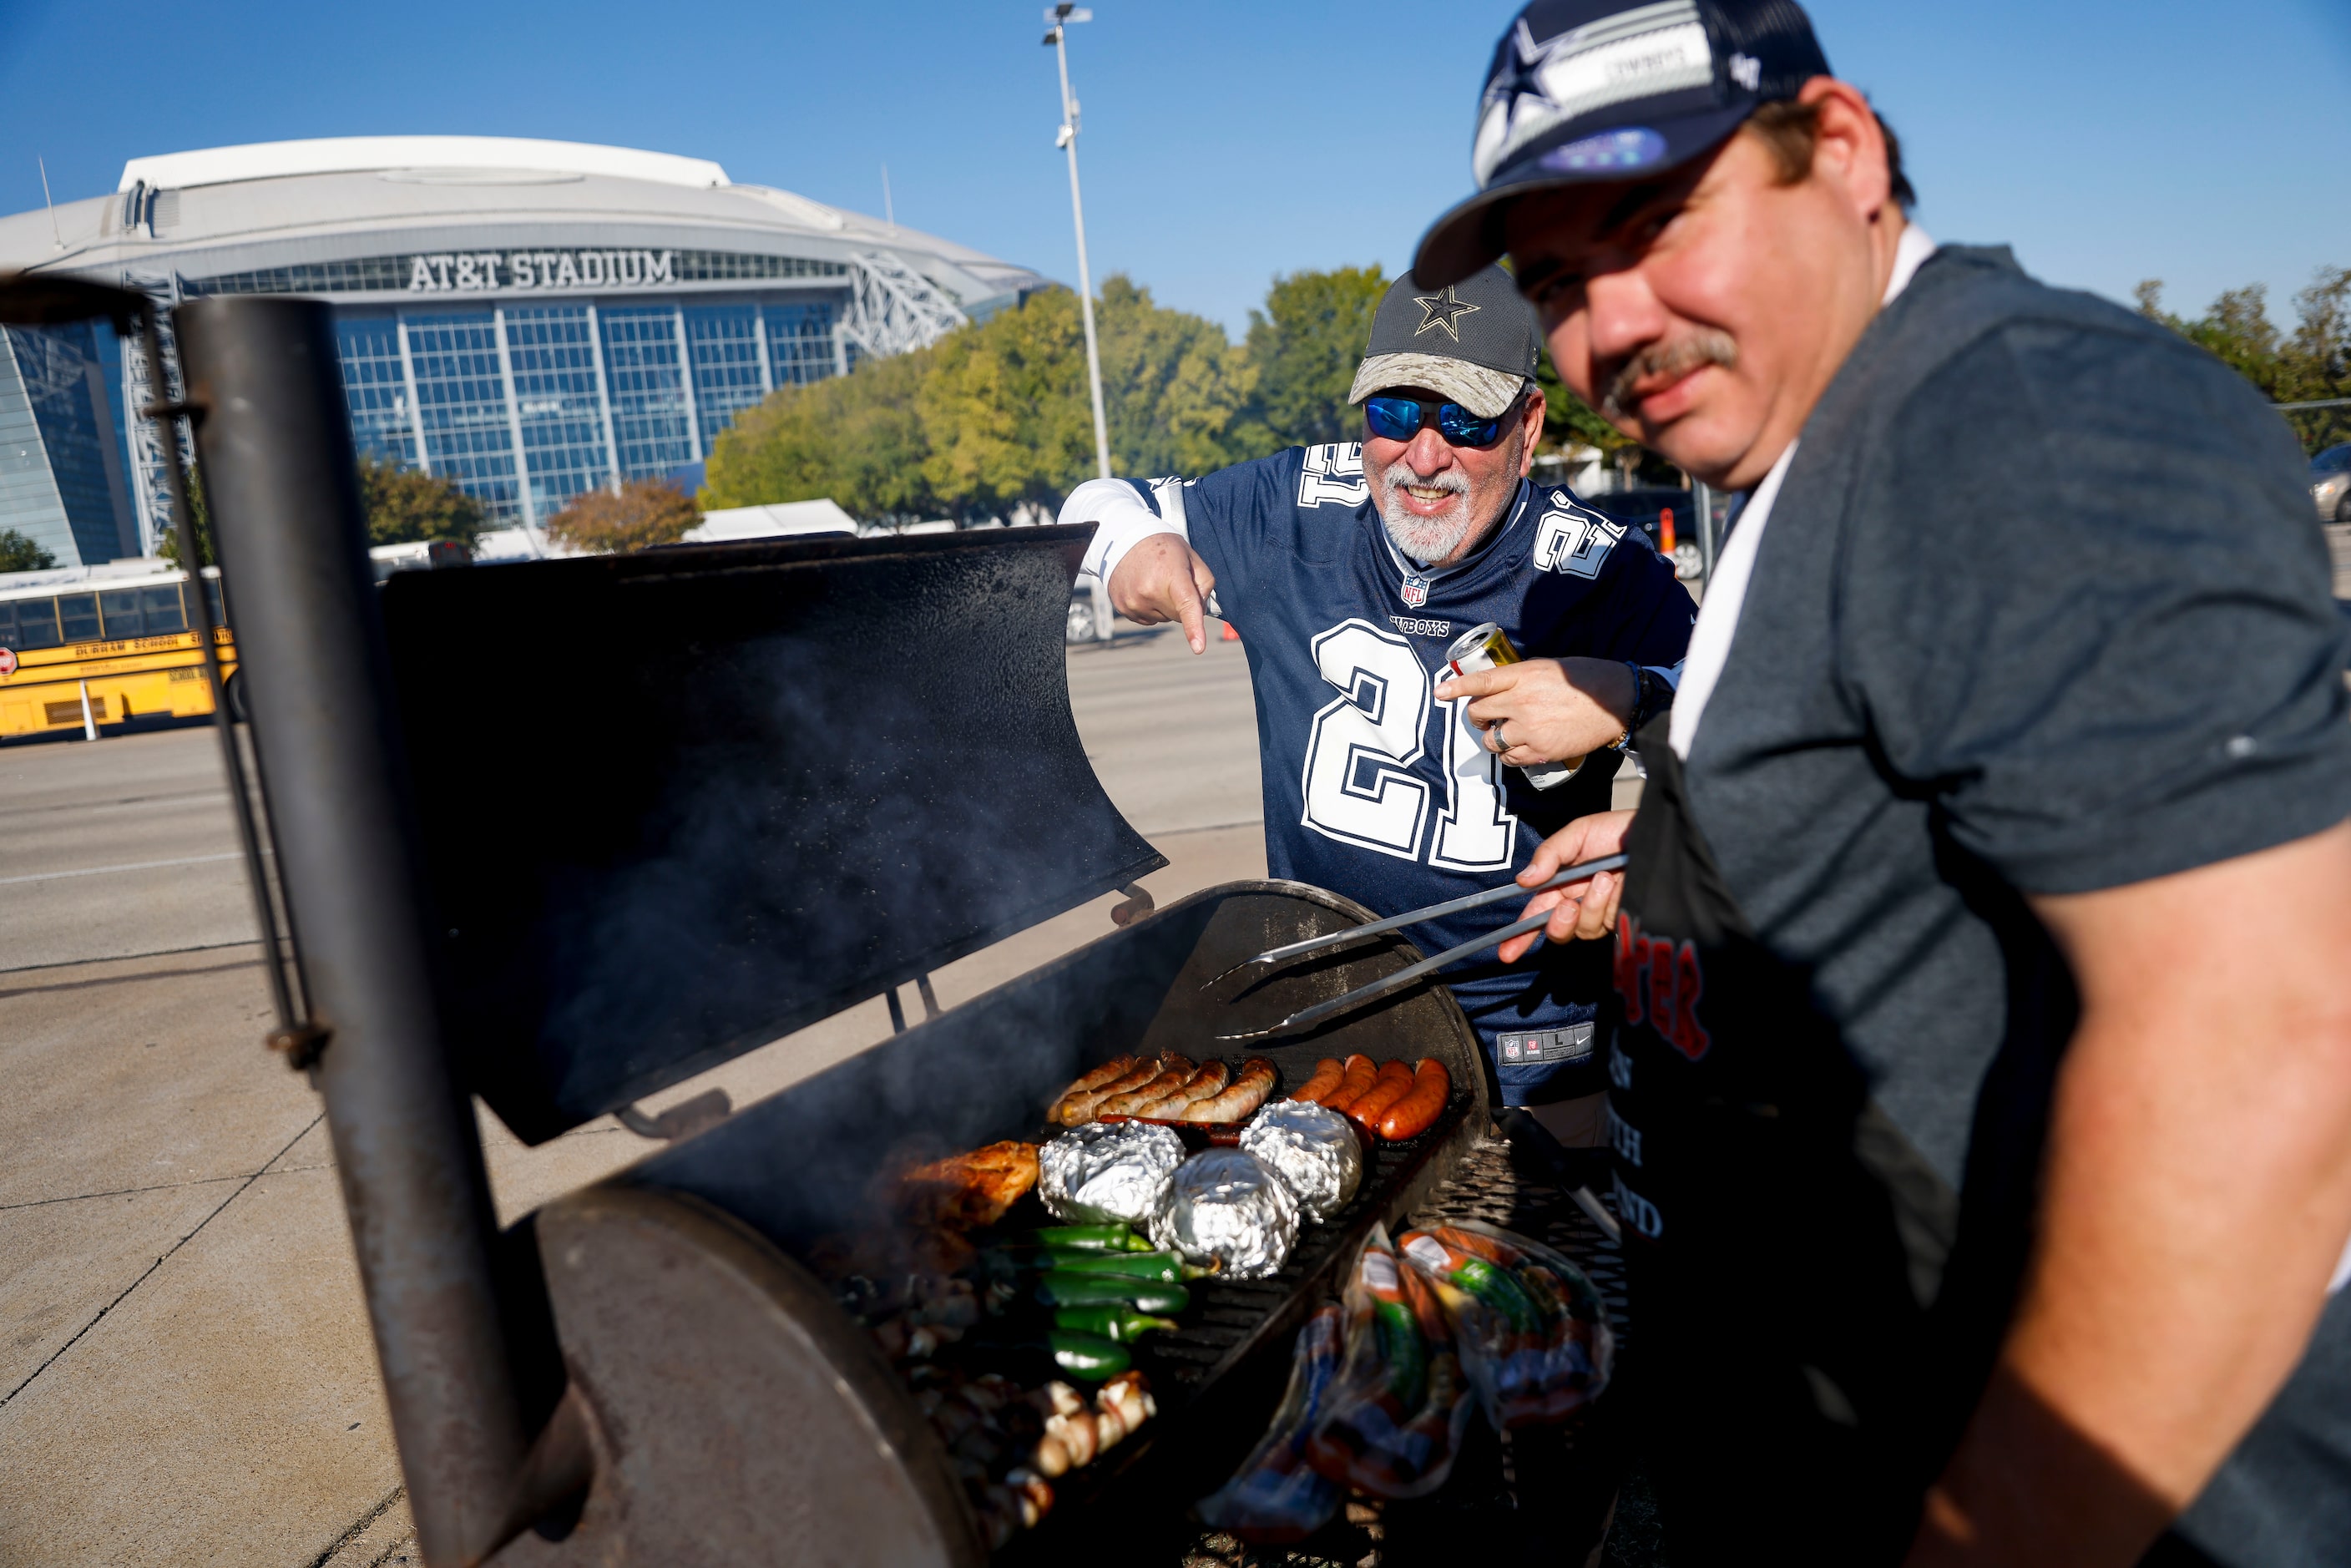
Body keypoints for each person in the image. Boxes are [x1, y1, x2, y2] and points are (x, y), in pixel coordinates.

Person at [1409, 3, 2351, 1564]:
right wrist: (1661, 868)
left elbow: (2264, 1065)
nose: (1611, 325)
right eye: (1558, 283)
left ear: (1839, 151)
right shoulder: (1818, 430)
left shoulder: (2013, 430)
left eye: (1654, 224)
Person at [1060, 266, 1693, 1137]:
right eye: (1393, 414)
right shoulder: (1293, 502)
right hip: (1326, 1001)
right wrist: (1136, 547)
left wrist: (1627, 697)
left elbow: (1748, 732)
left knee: (1548, 1225)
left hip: (1527, 1018)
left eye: (1465, 421)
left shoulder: (1599, 566)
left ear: (1529, 425)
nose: (1423, 458)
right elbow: (1100, 502)